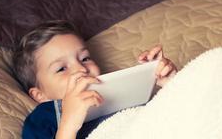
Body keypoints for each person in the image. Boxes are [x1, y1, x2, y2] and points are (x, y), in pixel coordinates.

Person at [13, 20, 177, 139]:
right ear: (40, 95)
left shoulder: (118, 87)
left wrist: (167, 82)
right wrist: (68, 123)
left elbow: (167, 116)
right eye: (62, 68)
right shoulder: (44, 116)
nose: (81, 69)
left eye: (85, 59)